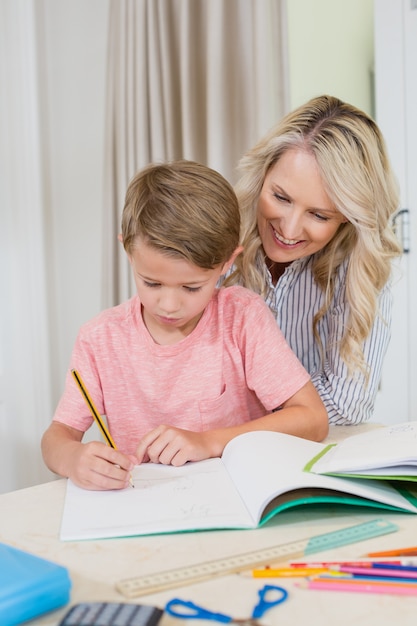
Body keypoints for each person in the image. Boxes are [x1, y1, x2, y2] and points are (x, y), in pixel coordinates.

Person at [41, 160, 328, 491]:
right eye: (152, 283)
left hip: (234, 498)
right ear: (128, 251)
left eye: (191, 288)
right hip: (143, 504)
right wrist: (74, 459)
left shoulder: (242, 318)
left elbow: (313, 418)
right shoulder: (99, 339)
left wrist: (208, 441)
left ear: (227, 262)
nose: (169, 304)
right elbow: (56, 439)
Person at [224, 95, 402, 425]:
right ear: (262, 174)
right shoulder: (218, 240)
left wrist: (227, 423)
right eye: (280, 197)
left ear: (349, 217)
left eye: (319, 215)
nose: (288, 230)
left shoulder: (358, 271)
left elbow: (347, 404)